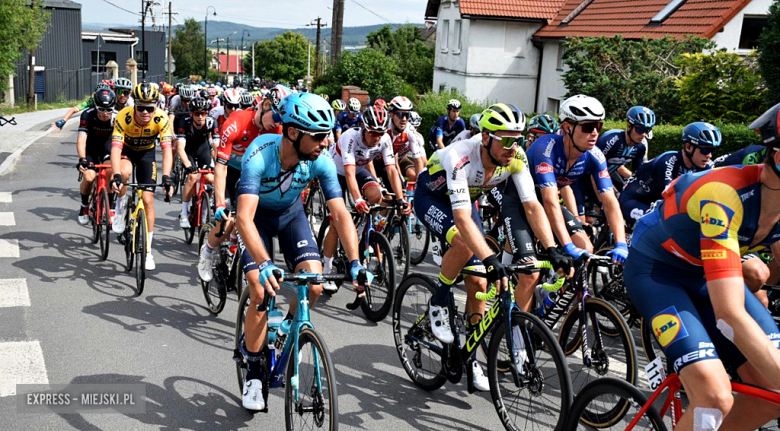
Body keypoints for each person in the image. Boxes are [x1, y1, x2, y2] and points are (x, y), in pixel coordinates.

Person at [623, 103, 780, 431]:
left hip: (705, 273)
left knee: (771, 393)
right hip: (657, 271)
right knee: (713, 398)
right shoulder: (724, 195)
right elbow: (729, 313)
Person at [414, 103, 572, 391]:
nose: (515, 146)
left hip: (465, 199)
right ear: (486, 137)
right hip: (431, 198)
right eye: (507, 139)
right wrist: (489, 257)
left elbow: (532, 206)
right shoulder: (461, 156)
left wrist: (552, 248)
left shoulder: (515, 157)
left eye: (519, 138)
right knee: (463, 243)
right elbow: (461, 219)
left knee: (478, 281)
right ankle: (438, 300)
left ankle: (471, 356)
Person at [236, 92, 370, 411]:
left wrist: (355, 262)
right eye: (319, 136)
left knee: (315, 284)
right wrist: (266, 263)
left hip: (291, 217)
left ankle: (286, 330)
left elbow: (341, 213)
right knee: (259, 286)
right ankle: (254, 373)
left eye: (328, 135)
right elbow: (243, 218)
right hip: (257, 221)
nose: (326, 143)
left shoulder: (319, 162)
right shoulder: (259, 155)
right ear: (293, 133)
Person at [522, 95, 628, 258]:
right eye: (588, 127)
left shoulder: (594, 155)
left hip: (543, 198)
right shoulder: (546, 147)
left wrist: (621, 244)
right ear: (567, 127)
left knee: (585, 248)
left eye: (598, 126)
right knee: (529, 264)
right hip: (517, 196)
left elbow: (609, 201)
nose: (594, 133)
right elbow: (550, 200)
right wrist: (567, 245)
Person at [197, 86, 284, 282]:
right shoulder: (236, 122)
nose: (278, 124)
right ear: (266, 105)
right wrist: (219, 203)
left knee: (251, 218)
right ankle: (208, 250)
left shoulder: (276, 130)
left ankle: (238, 250)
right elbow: (221, 167)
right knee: (227, 222)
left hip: (252, 174)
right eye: (276, 118)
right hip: (230, 171)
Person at [320, 105, 410, 292]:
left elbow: (392, 169)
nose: (376, 137)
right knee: (338, 222)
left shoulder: (384, 139)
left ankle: (362, 229)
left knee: (377, 195)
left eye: (380, 132)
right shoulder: (349, 137)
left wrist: (401, 199)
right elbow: (349, 173)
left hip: (359, 170)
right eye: (372, 133)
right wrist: (358, 200)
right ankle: (326, 267)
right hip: (335, 172)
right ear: (363, 127)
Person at [110, 83, 175, 271]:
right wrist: (115, 175)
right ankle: (120, 208)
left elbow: (167, 151)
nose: (145, 112)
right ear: (134, 105)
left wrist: (167, 177)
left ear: (156, 106)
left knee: (147, 200)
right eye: (141, 108)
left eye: (150, 108)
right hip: (127, 153)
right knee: (124, 173)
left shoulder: (161, 119)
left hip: (147, 154)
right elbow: (115, 149)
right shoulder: (124, 117)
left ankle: (147, 250)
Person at [619, 121, 719, 224]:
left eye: (712, 150)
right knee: (659, 225)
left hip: (656, 204)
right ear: (689, 147)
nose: (709, 155)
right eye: (705, 150)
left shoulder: (706, 165)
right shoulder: (669, 160)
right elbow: (671, 196)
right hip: (634, 200)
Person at [175, 97, 218, 228]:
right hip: (189, 150)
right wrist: (188, 166)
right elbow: (180, 148)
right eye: (196, 113)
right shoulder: (184, 122)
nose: (200, 116)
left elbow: (216, 147)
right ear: (191, 114)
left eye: (203, 113)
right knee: (192, 177)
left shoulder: (212, 122)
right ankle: (183, 212)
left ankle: (204, 210)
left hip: (203, 148)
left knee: (210, 179)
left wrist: (218, 164)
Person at [76, 89, 116, 225]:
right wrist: (82, 159)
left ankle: (109, 207)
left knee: (111, 171)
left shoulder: (117, 116)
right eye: (102, 110)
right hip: (91, 148)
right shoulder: (87, 115)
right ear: (95, 107)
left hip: (107, 147)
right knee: (89, 177)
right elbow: (81, 140)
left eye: (109, 110)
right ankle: (84, 206)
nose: (105, 114)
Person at [371, 96, 427, 191]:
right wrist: (375, 181)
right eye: (400, 115)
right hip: (372, 161)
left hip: (388, 163)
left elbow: (418, 161)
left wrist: (420, 185)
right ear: (391, 114)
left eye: (407, 115)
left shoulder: (410, 130)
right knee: (376, 194)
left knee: (399, 194)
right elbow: (368, 156)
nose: (404, 119)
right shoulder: (383, 127)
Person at [596, 106, 654, 192]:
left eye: (647, 130)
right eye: (640, 130)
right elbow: (596, 168)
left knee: (625, 193)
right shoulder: (612, 140)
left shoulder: (641, 147)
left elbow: (636, 175)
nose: (643, 134)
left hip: (609, 172)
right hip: (592, 173)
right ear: (629, 125)